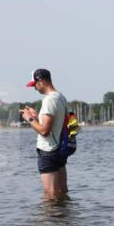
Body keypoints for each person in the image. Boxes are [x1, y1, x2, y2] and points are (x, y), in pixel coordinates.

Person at [20, 69, 69, 199]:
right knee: (62, 189)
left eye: (34, 84)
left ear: (41, 81)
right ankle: (63, 217)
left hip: (48, 151)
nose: (34, 88)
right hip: (60, 149)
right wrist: (36, 116)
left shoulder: (49, 100)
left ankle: (50, 219)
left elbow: (44, 131)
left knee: (50, 193)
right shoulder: (60, 97)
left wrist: (29, 118)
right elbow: (54, 124)